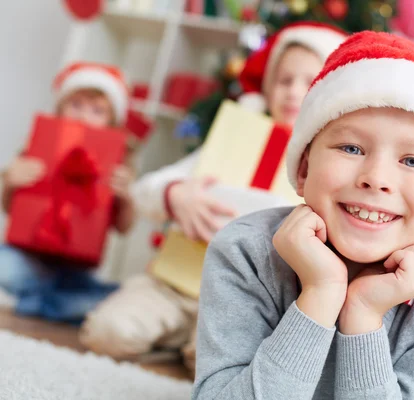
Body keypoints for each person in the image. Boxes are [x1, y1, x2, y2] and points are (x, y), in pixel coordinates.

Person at [192, 31, 414, 399]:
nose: (376, 179)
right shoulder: (244, 250)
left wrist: (364, 315)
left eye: (413, 161)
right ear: (303, 171)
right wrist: (320, 295)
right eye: (351, 147)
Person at [79, 22, 347, 372]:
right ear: (267, 87)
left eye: (308, 83)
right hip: (173, 284)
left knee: (214, 367)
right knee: (107, 334)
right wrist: (175, 195)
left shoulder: (330, 167)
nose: (294, 92)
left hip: (243, 305)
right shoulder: (234, 136)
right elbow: (148, 187)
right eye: (284, 81)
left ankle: (183, 346)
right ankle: (170, 338)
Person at [0, 62, 135, 323]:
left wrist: (126, 198)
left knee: (116, 298)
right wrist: (9, 181)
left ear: (112, 121)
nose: (84, 116)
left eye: (97, 111)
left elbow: (123, 227)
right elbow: (8, 208)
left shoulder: (118, 166)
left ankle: (38, 302)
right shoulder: (35, 149)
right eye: (76, 105)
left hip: (76, 268)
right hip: (29, 258)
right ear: (59, 108)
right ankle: (61, 305)